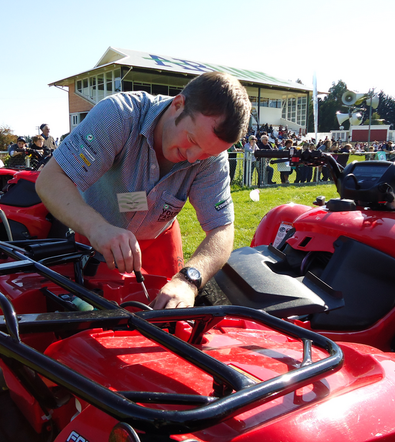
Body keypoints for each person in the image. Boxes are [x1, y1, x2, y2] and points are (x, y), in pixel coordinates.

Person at [36, 71, 251, 309]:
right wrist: (97, 228)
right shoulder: (118, 116)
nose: (192, 159)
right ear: (178, 104)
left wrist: (189, 280)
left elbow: (221, 228)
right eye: (192, 140)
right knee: (92, 323)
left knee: (163, 323)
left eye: (207, 154)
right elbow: (50, 179)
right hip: (95, 233)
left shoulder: (211, 157)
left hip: (159, 240)